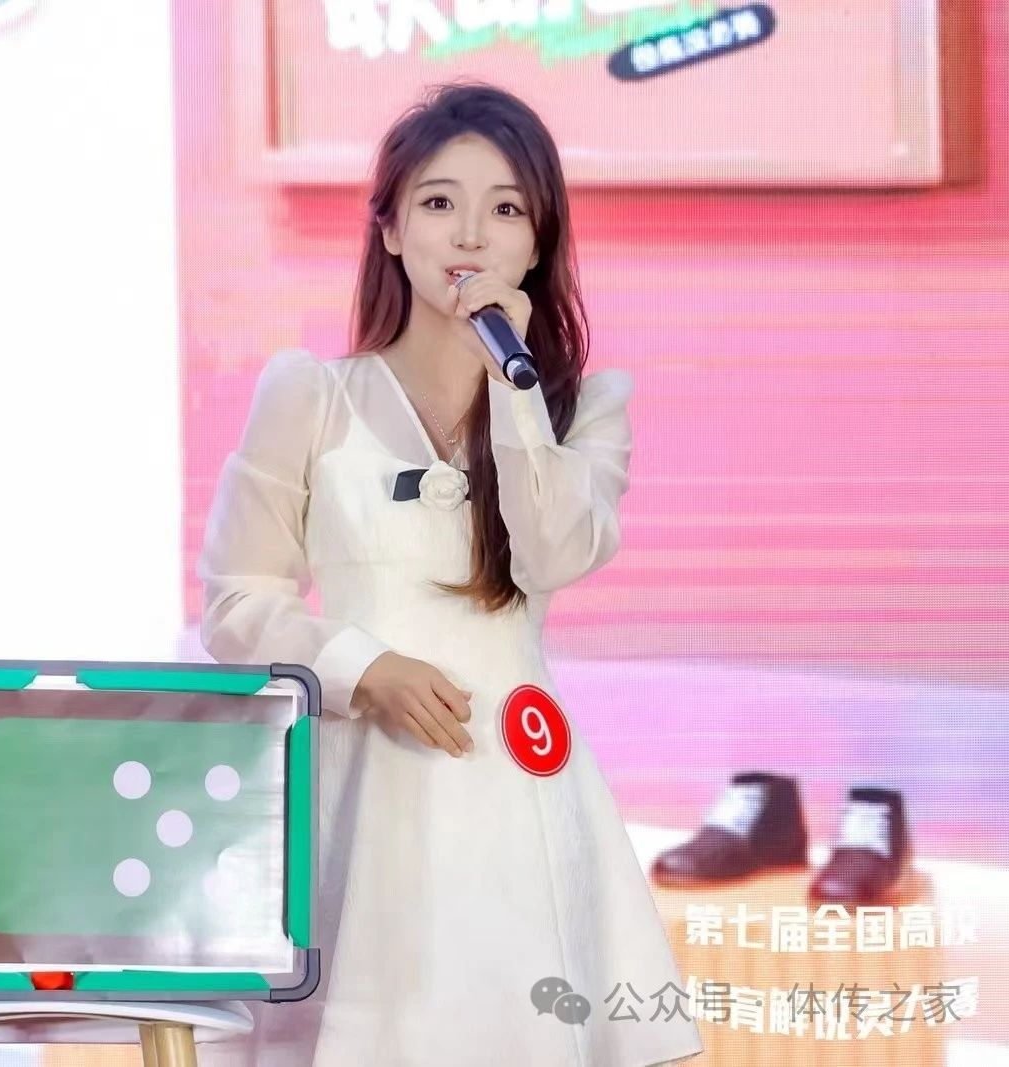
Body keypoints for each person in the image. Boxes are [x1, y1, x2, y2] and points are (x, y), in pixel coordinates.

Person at [196, 83, 705, 1066]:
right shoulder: (309, 394)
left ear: (537, 242)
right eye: (438, 202)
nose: (470, 232)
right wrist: (364, 667)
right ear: (389, 229)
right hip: (361, 784)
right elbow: (235, 601)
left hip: (517, 781)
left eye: (506, 207)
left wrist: (517, 394)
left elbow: (554, 550)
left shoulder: (585, 411)